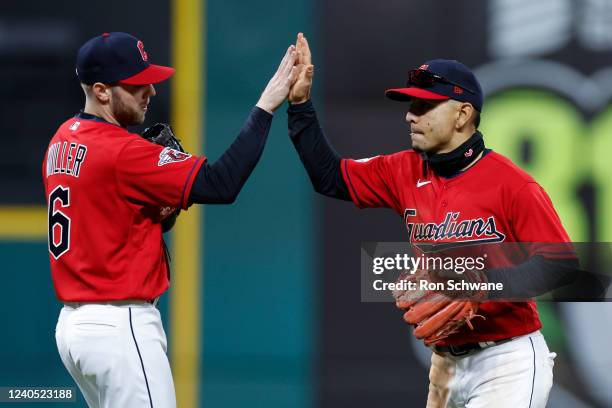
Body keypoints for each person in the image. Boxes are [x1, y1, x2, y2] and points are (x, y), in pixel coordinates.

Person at [286, 33, 580, 407]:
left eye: (426, 106)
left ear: (463, 113)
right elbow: (329, 176)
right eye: (411, 104)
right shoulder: (402, 169)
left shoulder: (513, 184)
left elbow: (561, 265)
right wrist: (300, 107)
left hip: (507, 360)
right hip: (445, 365)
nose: (411, 114)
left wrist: (481, 285)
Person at [43, 32, 298, 408]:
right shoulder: (123, 152)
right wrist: (266, 106)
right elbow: (220, 185)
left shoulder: (61, 141)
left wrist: (163, 205)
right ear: (101, 91)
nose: (150, 90)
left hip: (75, 331)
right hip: (121, 326)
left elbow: (122, 220)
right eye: (135, 84)